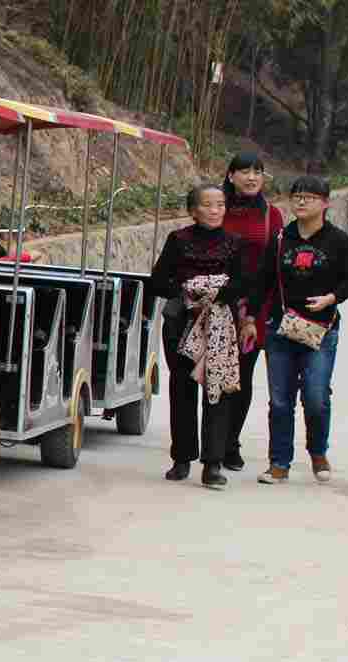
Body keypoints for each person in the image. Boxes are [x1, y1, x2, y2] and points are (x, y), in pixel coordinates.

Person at [256, 176, 348, 485]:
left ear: (325, 203)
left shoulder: (338, 240)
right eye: (297, 196)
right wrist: (251, 319)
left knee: (316, 396)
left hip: (321, 330)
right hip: (281, 328)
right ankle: (279, 463)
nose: (302, 202)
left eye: (310, 197)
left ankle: (318, 452)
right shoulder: (280, 239)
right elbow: (263, 282)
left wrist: (331, 298)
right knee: (280, 400)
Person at [151, 184, 254, 489]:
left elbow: (244, 283)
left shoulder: (235, 243)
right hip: (181, 323)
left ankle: (213, 464)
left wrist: (215, 293)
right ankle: (181, 458)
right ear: (193, 210)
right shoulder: (178, 240)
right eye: (207, 205)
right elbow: (157, 281)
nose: (215, 210)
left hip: (219, 326)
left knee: (217, 391)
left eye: (220, 204)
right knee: (182, 389)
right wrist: (189, 291)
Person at [215, 151, 282, 472]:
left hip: (255, 308)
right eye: (245, 171)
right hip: (217, 303)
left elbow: (275, 264)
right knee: (214, 373)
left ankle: (231, 442)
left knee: (242, 374)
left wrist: (257, 310)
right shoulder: (216, 207)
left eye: (258, 171)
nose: (252, 177)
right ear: (231, 176)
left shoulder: (272, 215)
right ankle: (213, 440)